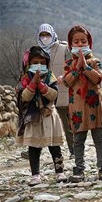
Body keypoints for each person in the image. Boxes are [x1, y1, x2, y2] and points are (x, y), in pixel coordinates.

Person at [63, 25, 102, 183]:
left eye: (83, 41)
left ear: (89, 42)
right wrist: (76, 68)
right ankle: (79, 169)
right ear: (71, 44)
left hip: (94, 105)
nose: (80, 44)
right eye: (76, 41)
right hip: (77, 108)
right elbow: (67, 82)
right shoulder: (68, 63)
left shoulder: (96, 61)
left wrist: (86, 66)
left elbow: (97, 79)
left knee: (99, 139)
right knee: (78, 140)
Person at [15, 46, 68, 185]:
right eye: (35, 62)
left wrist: (42, 85)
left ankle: (60, 172)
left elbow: (53, 94)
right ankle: (35, 175)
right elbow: (25, 97)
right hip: (33, 118)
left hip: (49, 115)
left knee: (55, 145)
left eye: (42, 62)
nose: (39, 65)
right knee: (34, 147)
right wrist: (33, 83)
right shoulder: (25, 80)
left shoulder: (50, 77)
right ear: (28, 64)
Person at [37, 23, 74, 159]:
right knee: (42, 123)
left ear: (53, 34)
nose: (45, 37)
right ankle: (35, 152)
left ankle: (73, 150)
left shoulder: (63, 49)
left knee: (67, 124)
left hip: (63, 91)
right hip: (44, 92)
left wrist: (64, 78)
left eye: (47, 34)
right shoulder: (37, 52)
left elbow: (70, 68)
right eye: (42, 35)